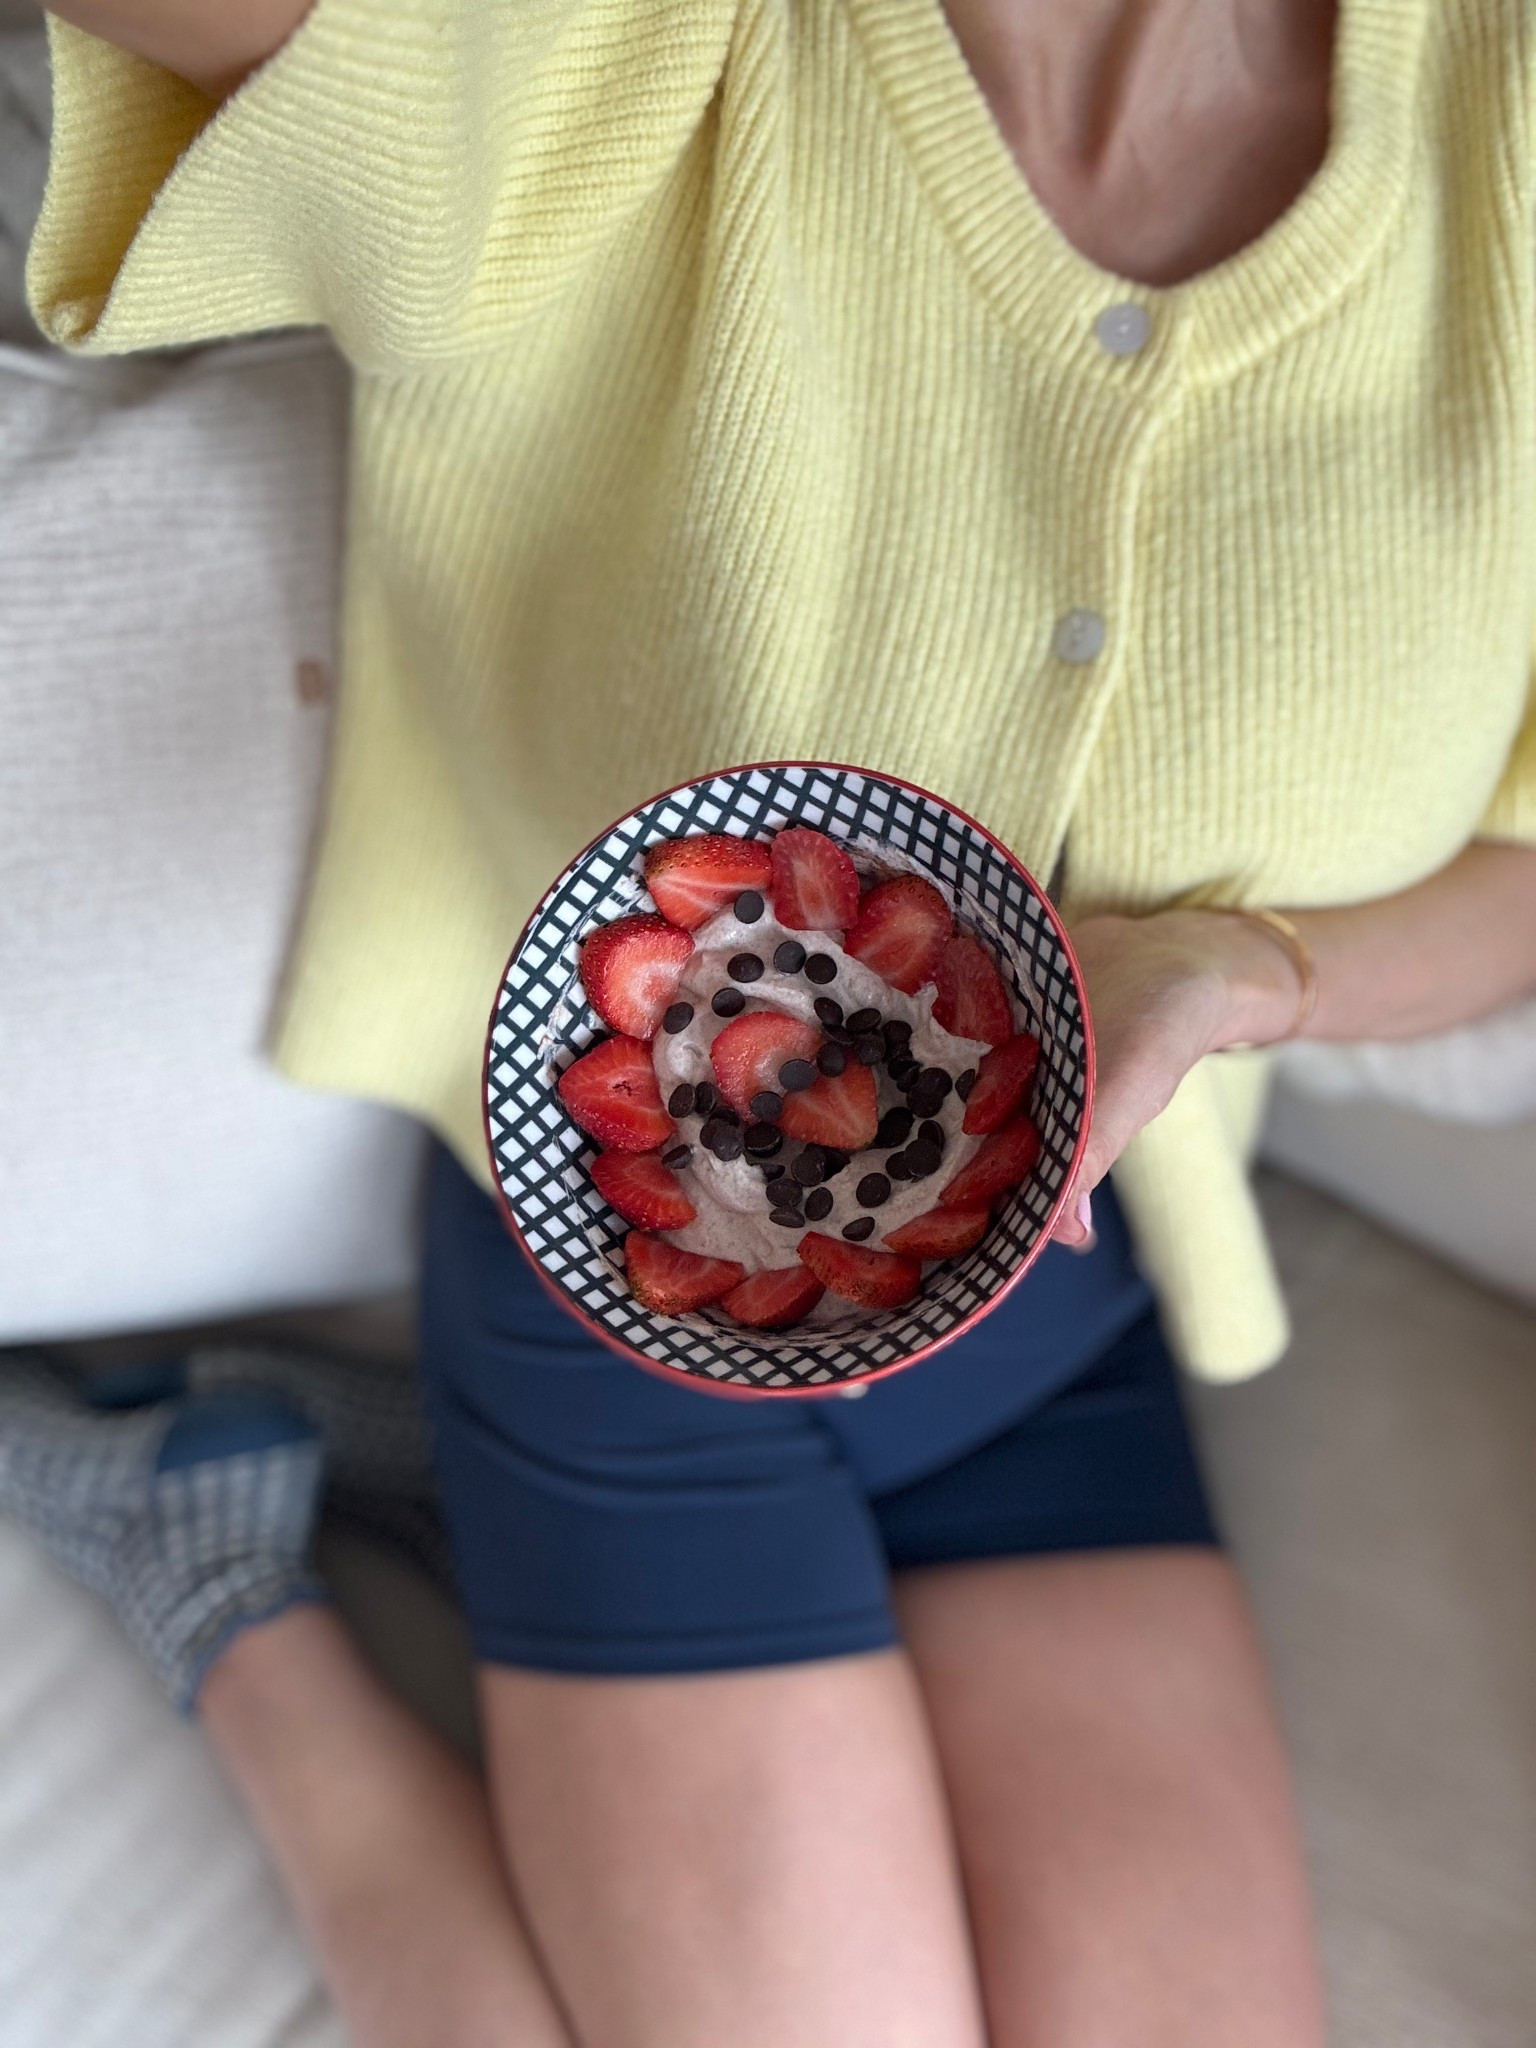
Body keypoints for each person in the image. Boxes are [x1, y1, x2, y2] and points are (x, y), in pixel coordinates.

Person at [7, 0, 1536, 2041]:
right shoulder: (645, 52)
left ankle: (226, 1526)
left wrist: (1256, 969)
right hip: (618, 1308)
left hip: (1058, 1317)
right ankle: (230, 1585)